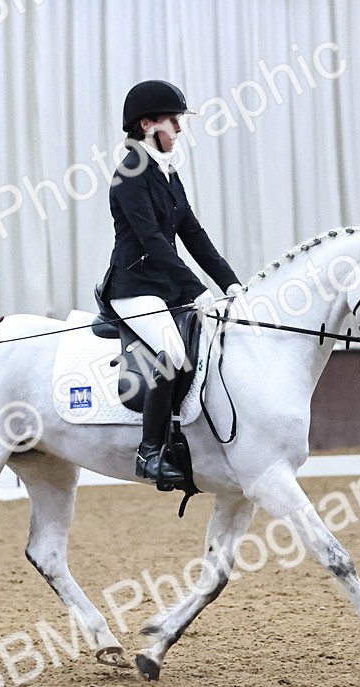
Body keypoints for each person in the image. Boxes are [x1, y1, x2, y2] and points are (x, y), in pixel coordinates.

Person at [98, 79, 243, 487]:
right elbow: (155, 243)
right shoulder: (130, 175)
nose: (179, 130)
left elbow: (192, 234)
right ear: (147, 124)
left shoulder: (166, 173)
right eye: (172, 121)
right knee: (172, 353)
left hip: (165, 288)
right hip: (134, 287)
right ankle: (149, 452)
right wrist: (197, 289)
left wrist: (230, 283)